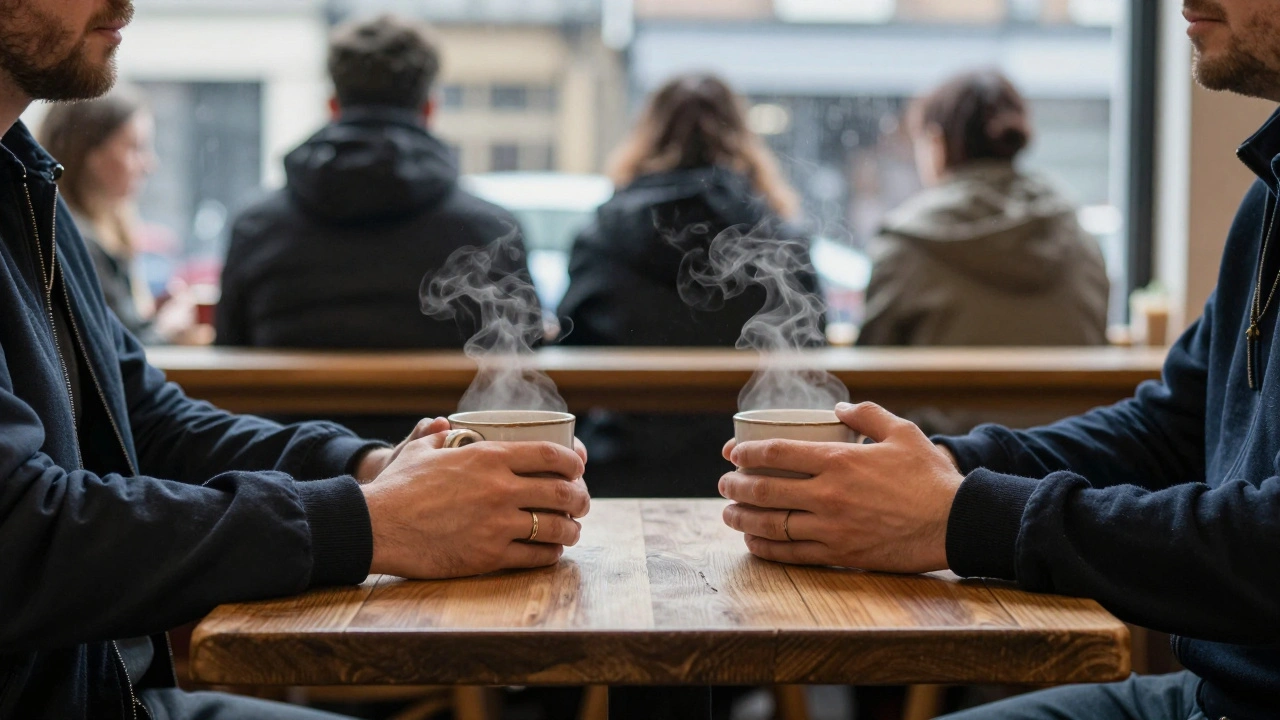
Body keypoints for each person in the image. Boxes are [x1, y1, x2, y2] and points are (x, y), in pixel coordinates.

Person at [0, 2, 590, 718]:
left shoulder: (27, 185)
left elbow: (148, 423)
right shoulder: (489, 222)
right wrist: (370, 522)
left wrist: (370, 467)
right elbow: (21, 536)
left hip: (113, 693)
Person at [717, 1, 1280, 718]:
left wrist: (961, 514)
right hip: (1210, 693)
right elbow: (1168, 430)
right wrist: (934, 469)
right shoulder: (1265, 197)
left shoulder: (907, 239)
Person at [557, 73, 823, 498]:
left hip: (620, 468)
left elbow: (570, 354)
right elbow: (811, 348)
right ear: (741, 136)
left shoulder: (602, 236)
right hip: (755, 473)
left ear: (647, 135)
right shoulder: (777, 236)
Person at [216, 14, 533, 350]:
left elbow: (228, 349)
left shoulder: (256, 228)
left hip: (283, 406)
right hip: (450, 406)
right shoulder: (489, 231)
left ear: (333, 107)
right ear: (429, 109)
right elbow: (520, 367)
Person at [857, 70, 1110, 348]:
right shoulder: (1079, 241)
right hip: (1068, 394)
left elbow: (871, 367)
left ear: (936, 145)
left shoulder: (903, 246)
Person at [38, 87, 206, 345]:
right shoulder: (74, 241)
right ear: (89, 153)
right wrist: (166, 330)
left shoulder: (93, 229)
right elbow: (110, 353)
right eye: (135, 148)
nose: (149, 165)